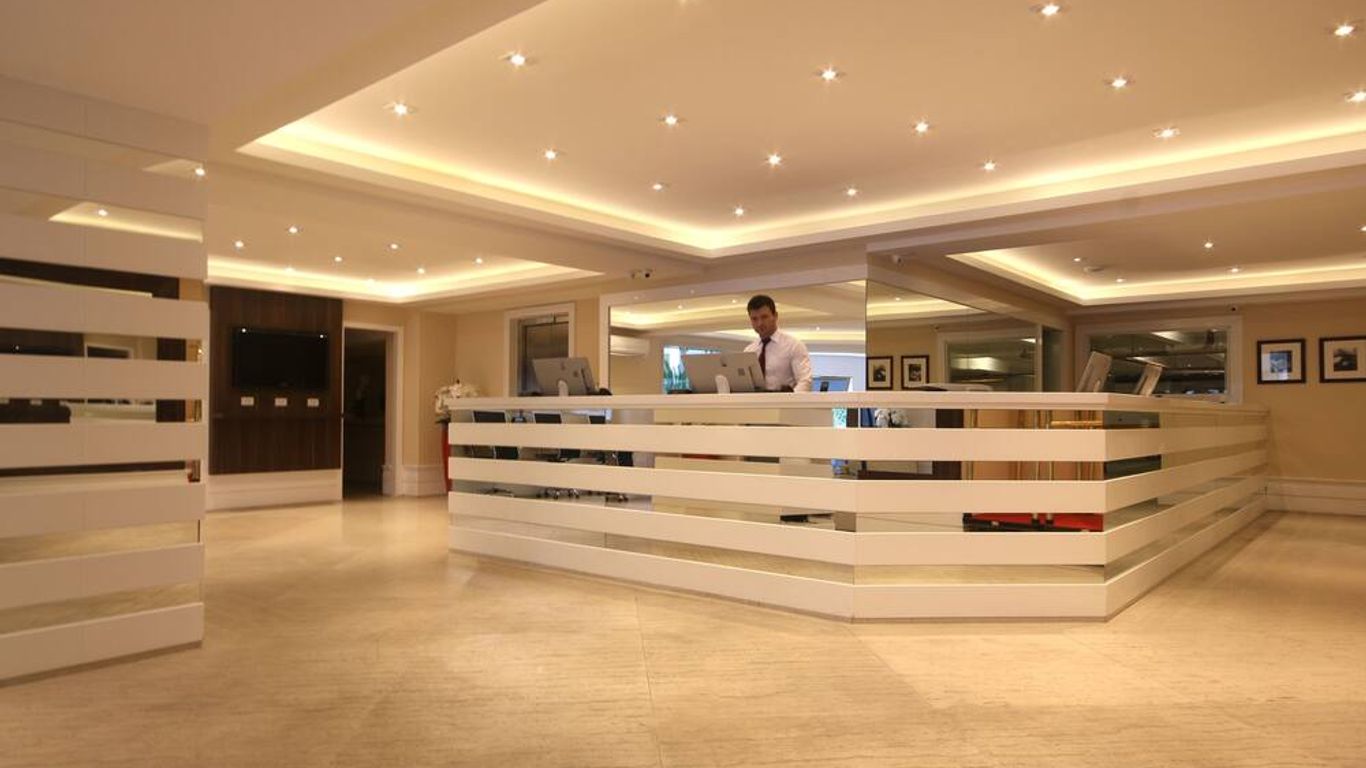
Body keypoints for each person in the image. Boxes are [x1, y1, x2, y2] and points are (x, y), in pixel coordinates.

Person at [744, 294, 812, 392]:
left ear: (775, 316)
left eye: (764, 317)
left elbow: (805, 381)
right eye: (754, 319)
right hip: (754, 401)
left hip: (784, 401)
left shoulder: (794, 346)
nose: (760, 323)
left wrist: (788, 399)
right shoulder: (749, 350)